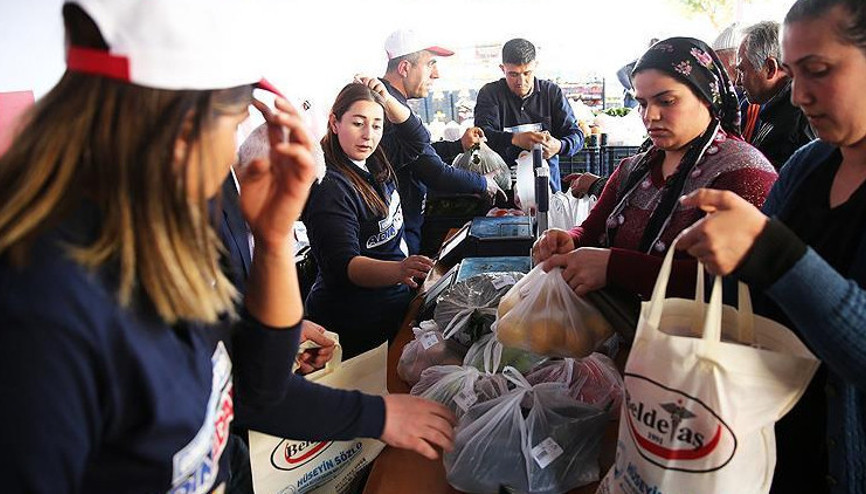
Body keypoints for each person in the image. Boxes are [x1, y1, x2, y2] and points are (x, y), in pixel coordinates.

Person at [0, 3, 455, 491]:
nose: (235, 151)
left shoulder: (169, 228)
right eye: (233, 122)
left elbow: (257, 391)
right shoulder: (41, 310)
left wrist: (275, 238)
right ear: (178, 128)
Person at [678, 1, 866, 491]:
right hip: (773, 445)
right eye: (793, 73)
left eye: (818, 71)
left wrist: (773, 252)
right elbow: (757, 300)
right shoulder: (808, 166)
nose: (800, 95)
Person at [533, 37, 777, 302]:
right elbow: (591, 232)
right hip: (627, 339)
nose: (650, 115)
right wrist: (569, 241)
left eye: (667, 101)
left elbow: (737, 283)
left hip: (697, 342)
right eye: (643, 103)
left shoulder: (743, 172)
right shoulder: (634, 170)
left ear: (707, 98)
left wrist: (615, 267)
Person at [303, 79, 435, 359]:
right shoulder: (331, 187)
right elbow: (345, 265)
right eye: (358, 123)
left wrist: (386, 101)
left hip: (392, 308)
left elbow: (419, 140)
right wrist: (399, 270)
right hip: (355, 323)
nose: (368, 135)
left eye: (376, 125)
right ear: (335, 122)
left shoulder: (375, 161)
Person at [379, 29, 501, 254]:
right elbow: (434, 172)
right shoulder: (388, 108)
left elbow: (415, 154)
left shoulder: (391, 100)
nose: (436, 74)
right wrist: (483, 183)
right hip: (396, 232)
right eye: (430, 64)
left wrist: (457, 146)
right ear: (405, 68)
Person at [474, 38, 585, 192]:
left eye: (527, 73)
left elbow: (576, 135)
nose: (521, 81)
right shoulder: (490, 94)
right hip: (503, 190)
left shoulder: (552, 93)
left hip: (548, 189)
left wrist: (559, 146)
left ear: (535, 66)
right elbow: (481, 135)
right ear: (502, 69)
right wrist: (515, 139)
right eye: (513, 74)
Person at [735, 20, 815, 169]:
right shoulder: (779, 109)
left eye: (742, 71)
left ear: (770, 68)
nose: (738, 82)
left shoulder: (803, 117)